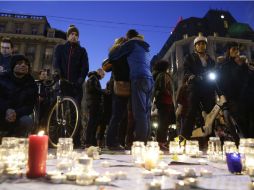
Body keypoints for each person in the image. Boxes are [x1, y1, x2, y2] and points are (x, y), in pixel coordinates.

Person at [108, 29, 154, 143]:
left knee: (139, 113)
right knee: (147, 113)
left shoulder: (131, 43)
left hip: (138, 78)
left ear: (128, 38)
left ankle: (140, 143)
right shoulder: (145, 47)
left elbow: (112, 55)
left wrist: (118, 46)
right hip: (150, 80)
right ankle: (146, 141)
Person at [53, 24, 89, 146]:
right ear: (68, 36)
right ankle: (57, 138)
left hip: (75, 86)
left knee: (76, 112)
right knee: (59, 110)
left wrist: (79, 81)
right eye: (72, 34)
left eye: (76, 35)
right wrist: (58, 74)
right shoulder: (60, 48)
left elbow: (85, 68)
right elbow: (56, 63)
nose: (74, 36)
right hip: (62, 83)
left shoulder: (82, 51)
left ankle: (76, 140)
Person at [180, 35, 216, 141]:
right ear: (195, 46)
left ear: (206, 46)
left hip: (208, 88)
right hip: (195, 86)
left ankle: (210, 139)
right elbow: (186, 70)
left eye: (203, 44)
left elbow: (214, 71)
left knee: (210, 113)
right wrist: (191, 76)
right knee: (191, 111)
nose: (201, 46)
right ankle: (183, 138)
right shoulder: (190, 57)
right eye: (199, 44)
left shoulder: (210, 60)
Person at [217, 42, 252, 138]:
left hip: (248, 100)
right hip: (234, 100)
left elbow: (249, 78)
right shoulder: (224, 65)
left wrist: (244, 65)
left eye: (237, 49)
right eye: (233, 49)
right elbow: (223, 82)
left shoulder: (243, 64)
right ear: (228, 51)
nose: (237, 51)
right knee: (242, 126)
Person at [0, 54, 37, 137]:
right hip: (1, 112)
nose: (23, 65)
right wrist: (6, 110)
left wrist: (16, 113)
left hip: (18, 115)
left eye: (26, 64)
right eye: (19, 63)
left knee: (27, 121)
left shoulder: (31, 83)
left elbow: (30, 106)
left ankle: (16, 141)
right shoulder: (2, 78)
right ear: (13, 66)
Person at [104, 37, 130, 150]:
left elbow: (107, 67)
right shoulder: (122, 53)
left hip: (117, 86)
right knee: (118, 115)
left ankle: (113, 141)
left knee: (117, 115)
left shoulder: (114, 53)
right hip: (121, 86)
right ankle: (111, 142)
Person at [152, 60, 175, 150]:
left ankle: (161, 142)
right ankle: (161, 142)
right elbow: (163, 88)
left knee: (163, 122)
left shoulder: (158, 75)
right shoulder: (162, 75)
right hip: (165, 101)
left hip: (163, 101)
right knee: (163, 123)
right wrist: (168, 93)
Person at [85, 68, 105, 146]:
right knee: (92, 122)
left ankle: (91, 141)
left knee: (94, 123)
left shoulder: (94, 78)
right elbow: (92, 88)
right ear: (99, 72)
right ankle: (89, 141)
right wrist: (103, 91)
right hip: (93, 103)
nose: (103, 77)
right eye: (103, 74)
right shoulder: (93, 78)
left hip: (93, 103)